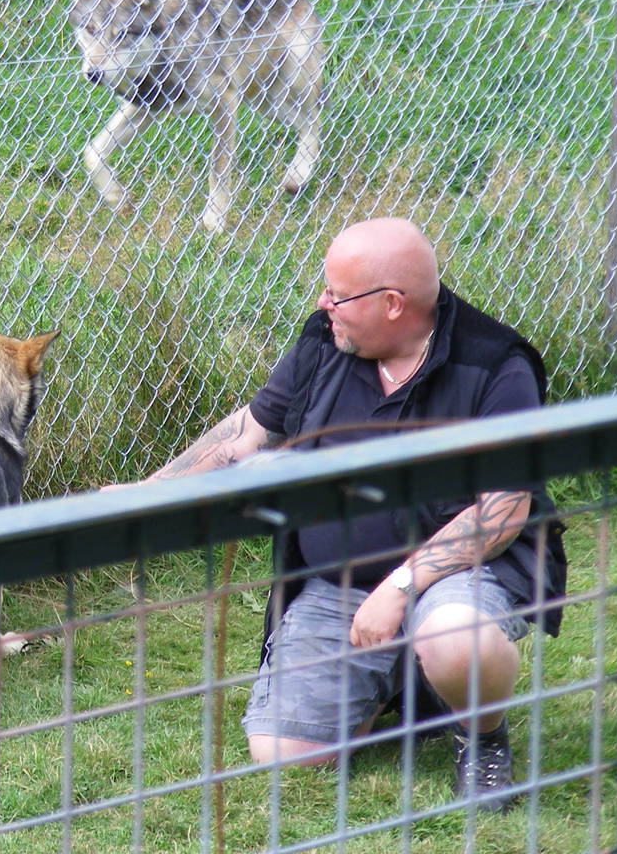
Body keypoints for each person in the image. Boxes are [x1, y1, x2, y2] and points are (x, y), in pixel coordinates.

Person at [132, 217, 565, 811]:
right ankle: (410, 684)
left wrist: (401, 584)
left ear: (393, 303)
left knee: (453, 638)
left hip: (457, 577)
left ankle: (482, 737)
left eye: (337, 293)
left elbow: (505, 507)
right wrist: (139, 494)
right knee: (283, 753)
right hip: (339, 583)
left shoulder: (496, 366)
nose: (323, 302)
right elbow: (245, 435)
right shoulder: (325, 342)